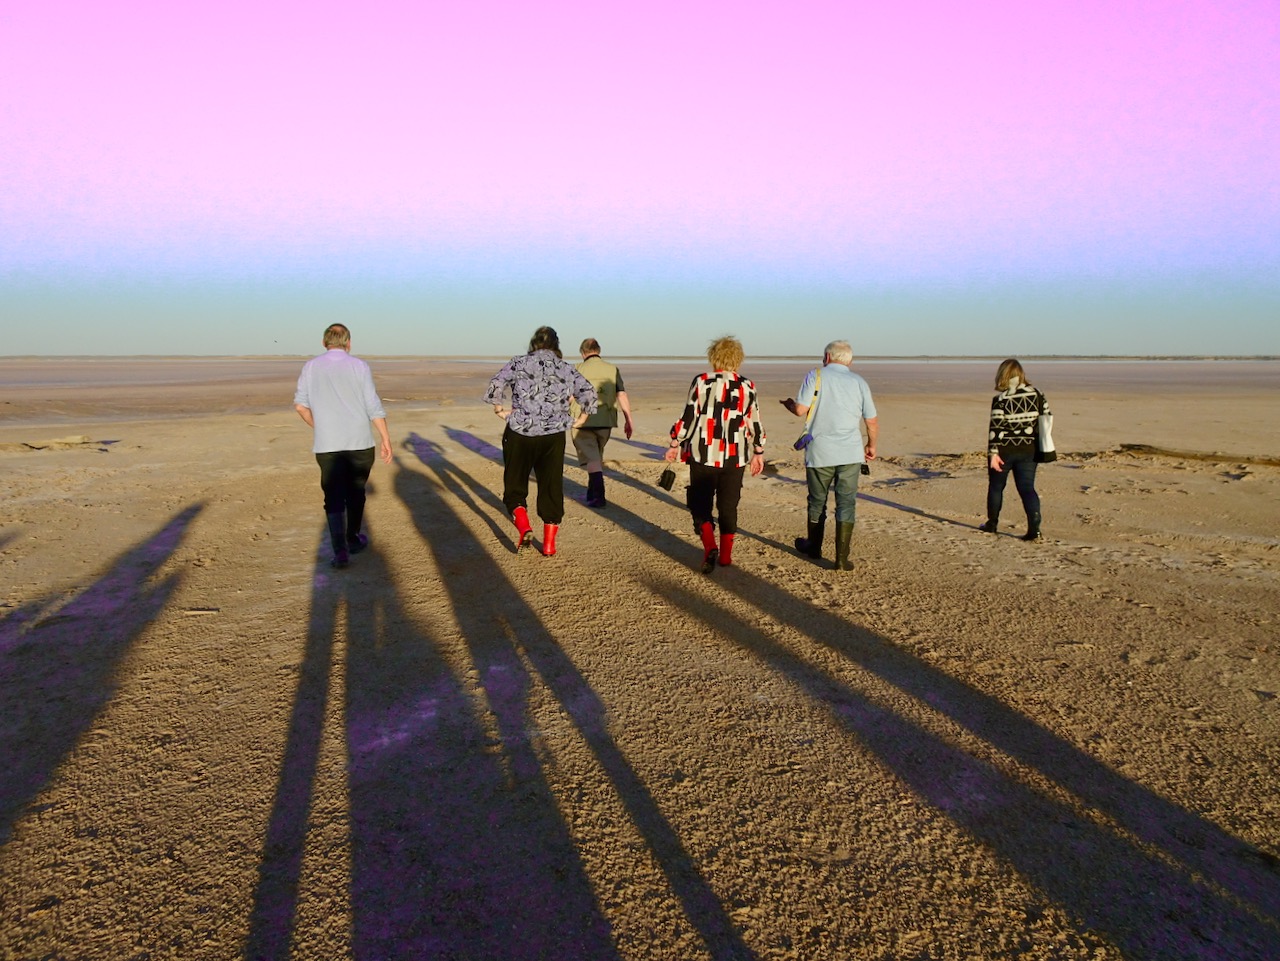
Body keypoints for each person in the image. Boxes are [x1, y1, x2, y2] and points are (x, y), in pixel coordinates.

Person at [485, 326, 598, 556]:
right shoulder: (565, 368)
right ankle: (548, 545)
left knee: (515, 483)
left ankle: (524, 526)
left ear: (534, 343)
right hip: (553, 435)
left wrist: (499, 409)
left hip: (520, 432)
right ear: (556, 344)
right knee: (551, 486)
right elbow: (588, 392)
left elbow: (496, 383)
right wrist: (581, 419)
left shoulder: (518, 362)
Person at [293, 323, 393, 568]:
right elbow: (373, 405)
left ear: (324, 342)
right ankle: (352, 538)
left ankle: (340, 552)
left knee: (333, 497)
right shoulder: (359, 366)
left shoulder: (311, 366)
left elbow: (300, 406)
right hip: (360, 443)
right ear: (348, 343)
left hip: (328, 445)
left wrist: (321, 427)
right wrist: (385, 439)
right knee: (356, 492)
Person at [664, 335, 766, 573]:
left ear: (713, 357)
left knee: (700, 504)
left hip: (704, 454)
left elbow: (688, 416)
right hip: (735, 457)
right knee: (729, 506)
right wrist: (758, 451)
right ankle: (726, 556)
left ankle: (710, 546)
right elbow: (755, 422)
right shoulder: (747, 386)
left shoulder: (702, 381)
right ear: (738, 359)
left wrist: (674, 442)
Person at [780, 340, 878, 571]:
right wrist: (871, 445)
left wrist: (789, 404)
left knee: (817, 501)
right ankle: (842, 558)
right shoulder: (859, 382)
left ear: (826, 357)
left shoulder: (815, 375)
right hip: (850, 452)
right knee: (846, 503)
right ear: (849, 360)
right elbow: (871, 420)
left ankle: (814, 548)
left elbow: (800, 410)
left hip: (820, 452)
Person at [981, 358, 1052, 541]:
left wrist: (993, 454)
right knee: (1027, 488)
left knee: (996, 487)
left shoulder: (1000, 399)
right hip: (1030, 450)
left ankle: (992, 524)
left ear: (1002, 375)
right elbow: (1047, 418)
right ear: (1021, 375)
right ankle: (1034, 530)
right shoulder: (1037, 394)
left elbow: (996, 428)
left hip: (1004, 450)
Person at [571, 338, 635, 508]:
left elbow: (568, 396)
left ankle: (598, 496)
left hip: (582, 421)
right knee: (596, 456)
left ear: (583, 353)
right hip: (606, 420)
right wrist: (628, 419)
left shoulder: (577, 369)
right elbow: (621, 394)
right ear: (598, 351)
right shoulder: (612, 369)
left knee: (592, 459)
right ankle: (592, 493)